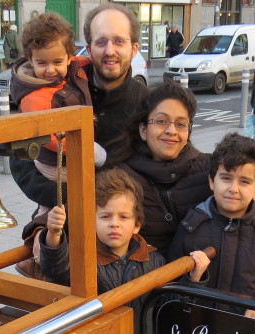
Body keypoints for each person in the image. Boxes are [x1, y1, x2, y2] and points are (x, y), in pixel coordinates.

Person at [12, 3, 149, 276]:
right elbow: (22, 157)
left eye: (119, 41)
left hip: (115, 229)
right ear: (89, 46)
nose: (109, 50)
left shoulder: (146, 102)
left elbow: (163, 161)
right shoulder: (54, 89)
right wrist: (62, 200)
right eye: (101, 42)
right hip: (62, 207)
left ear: (134, 49)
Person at [169, 132, 255, 320]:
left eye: (244, 181)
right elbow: (171, 281)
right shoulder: (191, 227)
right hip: (198, 331)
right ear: (212, 181)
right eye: (226, 178)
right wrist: (192, 280)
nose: (233, 189)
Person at [39, 167, 208, 294]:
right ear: (92, 222)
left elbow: (165, 306)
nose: (114, 223)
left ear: (137, 225)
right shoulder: (84, 258)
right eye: (105, 217)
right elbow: (57, 268)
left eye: (123, 217)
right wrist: (54, 233)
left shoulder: (154, 261)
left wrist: (193, 279)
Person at [10, 13, 103, 188]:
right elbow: (47, 137)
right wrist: (86, 148)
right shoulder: (36, 96)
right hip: (57, 163)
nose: (50, 70)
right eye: (42, 63)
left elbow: (84, 62)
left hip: (73, 151)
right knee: (72, 198)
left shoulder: (74, 67)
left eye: (57, 61)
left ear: (69, 57)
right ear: (31, 60)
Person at [118, 81, 212, 254]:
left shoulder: (211, 170)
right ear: (143, 130)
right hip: (149, 277)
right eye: (161, 121)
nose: (171, 130)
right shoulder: (121, 179)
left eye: (181, 124)